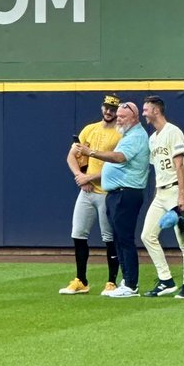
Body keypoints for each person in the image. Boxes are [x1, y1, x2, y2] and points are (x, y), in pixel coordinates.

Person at [76, 101, 149, 298]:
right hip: (117, 193)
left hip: (126, 192)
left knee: (124, 239)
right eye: (119, 116)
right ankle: (126, 281)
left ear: (134, 117)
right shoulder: (128, 134)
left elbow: (120, 157)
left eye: (123, 116)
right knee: (118, 238)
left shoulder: (136, 135)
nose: (119, 119)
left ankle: (131, 284)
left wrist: (91, 152)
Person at [59, 93, 122, 295]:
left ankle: (112, 281)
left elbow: (117, 165)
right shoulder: (90, 129)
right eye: (106, 108)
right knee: (78, 234)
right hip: (87, 191)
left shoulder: (120, 134)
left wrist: (89, 177)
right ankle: (81, 280)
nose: (108, 112)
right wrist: (80, 176)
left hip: (106, 191)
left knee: (109, 237)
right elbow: (71, 156)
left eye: (113, 109)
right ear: (102, 108)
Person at [140, 96, 184, 300]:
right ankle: (166, 280)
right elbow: (158, 169)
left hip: (177, 190)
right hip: (161, 192)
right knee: (147, 235)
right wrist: (158, 193)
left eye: (146, 109)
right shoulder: (152, 138)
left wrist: (182, 196)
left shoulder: (173, 131)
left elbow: (179, 165)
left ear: (156, 110)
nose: (144, 113)